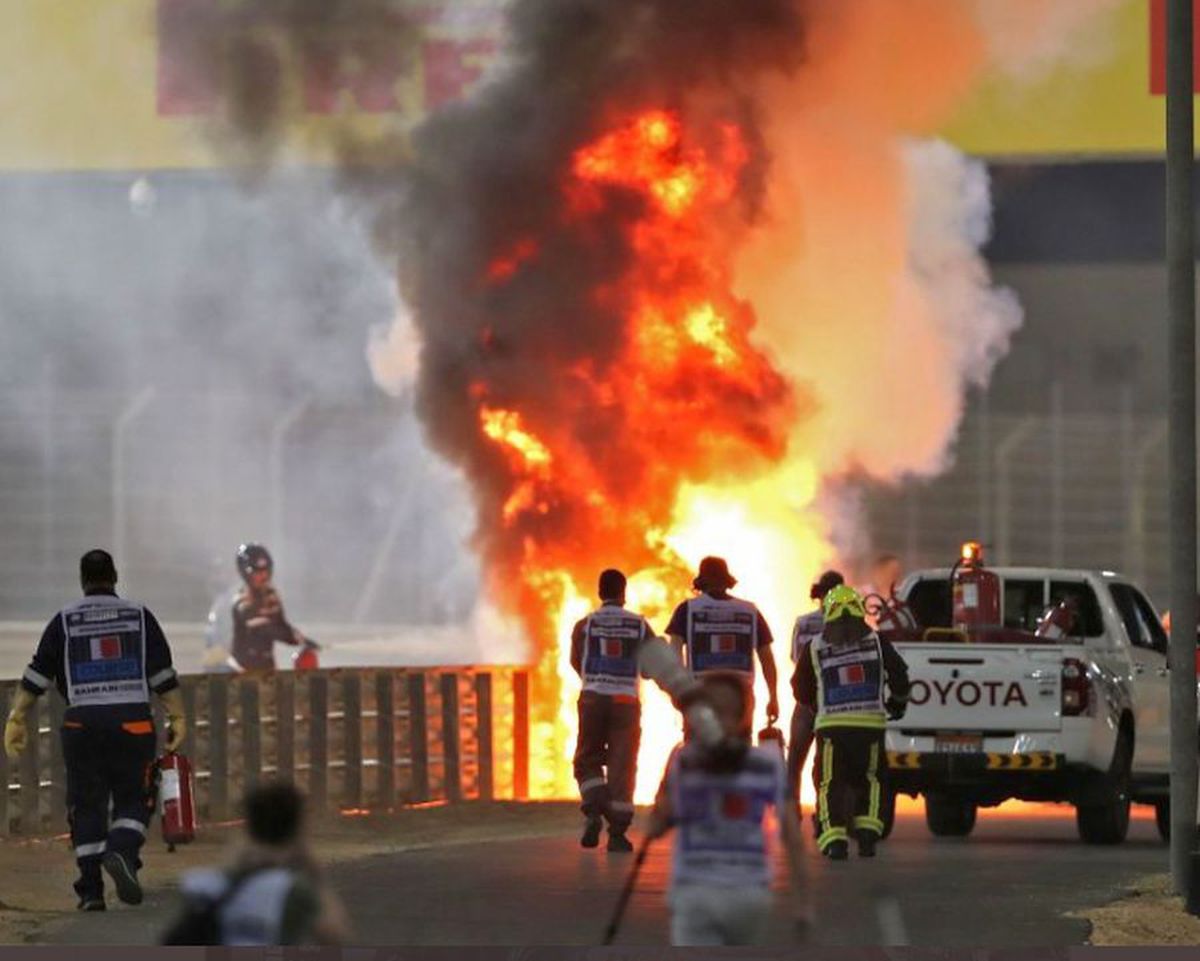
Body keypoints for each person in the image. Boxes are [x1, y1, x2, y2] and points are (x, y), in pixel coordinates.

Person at [3, 549, 185, 910]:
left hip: (81, 724)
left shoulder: (64, 619)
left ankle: (90, 893)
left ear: (83, 580)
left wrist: (16, 717)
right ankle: (120, 850)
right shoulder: (139, 615)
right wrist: (178, 717)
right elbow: (162, 674)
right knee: (135, 798)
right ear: (115, 577)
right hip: (132, 722)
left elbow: (37, 673)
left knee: (86, 806)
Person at [647, 672, 802, 946]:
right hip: (749, 895)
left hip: (695, 893)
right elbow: (792, 835)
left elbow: (656, 827)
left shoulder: (683, 760)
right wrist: (805, 903)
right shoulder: (768, 763)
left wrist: (664, 794)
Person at [794, 585, 910, 860]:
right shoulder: (878, 641)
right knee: (871, 779)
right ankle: (868, 837)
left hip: (832, 728)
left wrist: (817, 705)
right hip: (870, 725)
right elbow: (900, 675)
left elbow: (800, 690)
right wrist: (898, 703)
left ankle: (834, 841)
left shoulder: (815, 646)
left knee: (830, 782)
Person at [162, 781, 349, 945]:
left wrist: (233, 860)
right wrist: (315, 875)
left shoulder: (206, 884)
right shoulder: (294, 890)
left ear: (248, 828)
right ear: (298, 830)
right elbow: (334, 935)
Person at [569, 568, 654, 852]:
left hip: (592, 698)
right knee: (622, 766)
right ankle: (617, 834)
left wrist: (596, 679)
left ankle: (594, 809)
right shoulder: (639, 626)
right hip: (626, 703)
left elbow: (576, 662)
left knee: (587, 759)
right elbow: (651, 669)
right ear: (623, 592)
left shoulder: (584, 625)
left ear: (599, 592)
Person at [664, 556, 779, 729]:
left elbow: (674, 654)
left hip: (700, 694)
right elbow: (767, 658)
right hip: (741, 696)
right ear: (727, 580)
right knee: (738, 752)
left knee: (699, 752)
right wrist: (773, 697)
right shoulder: (750, 611)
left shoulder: (687, 609)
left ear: (701, 582)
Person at [786, 570, 844, 805]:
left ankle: (792, 811)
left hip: (806, 701)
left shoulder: (804, 622)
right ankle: (825, 812)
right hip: (837, 701)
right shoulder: (851, 625)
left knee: (794, 762)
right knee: (827, 764)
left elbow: (795, 657)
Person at [230, 543, 317, 672]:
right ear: (245, 573)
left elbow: (281, 623)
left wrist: (302, 639)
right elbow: (263, 627)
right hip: (242, 670)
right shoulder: (242, 599)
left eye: (265, 571)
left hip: (267, 666)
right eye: (257, 572)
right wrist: (292, 638)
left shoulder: (271, 595)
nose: (263, 576)